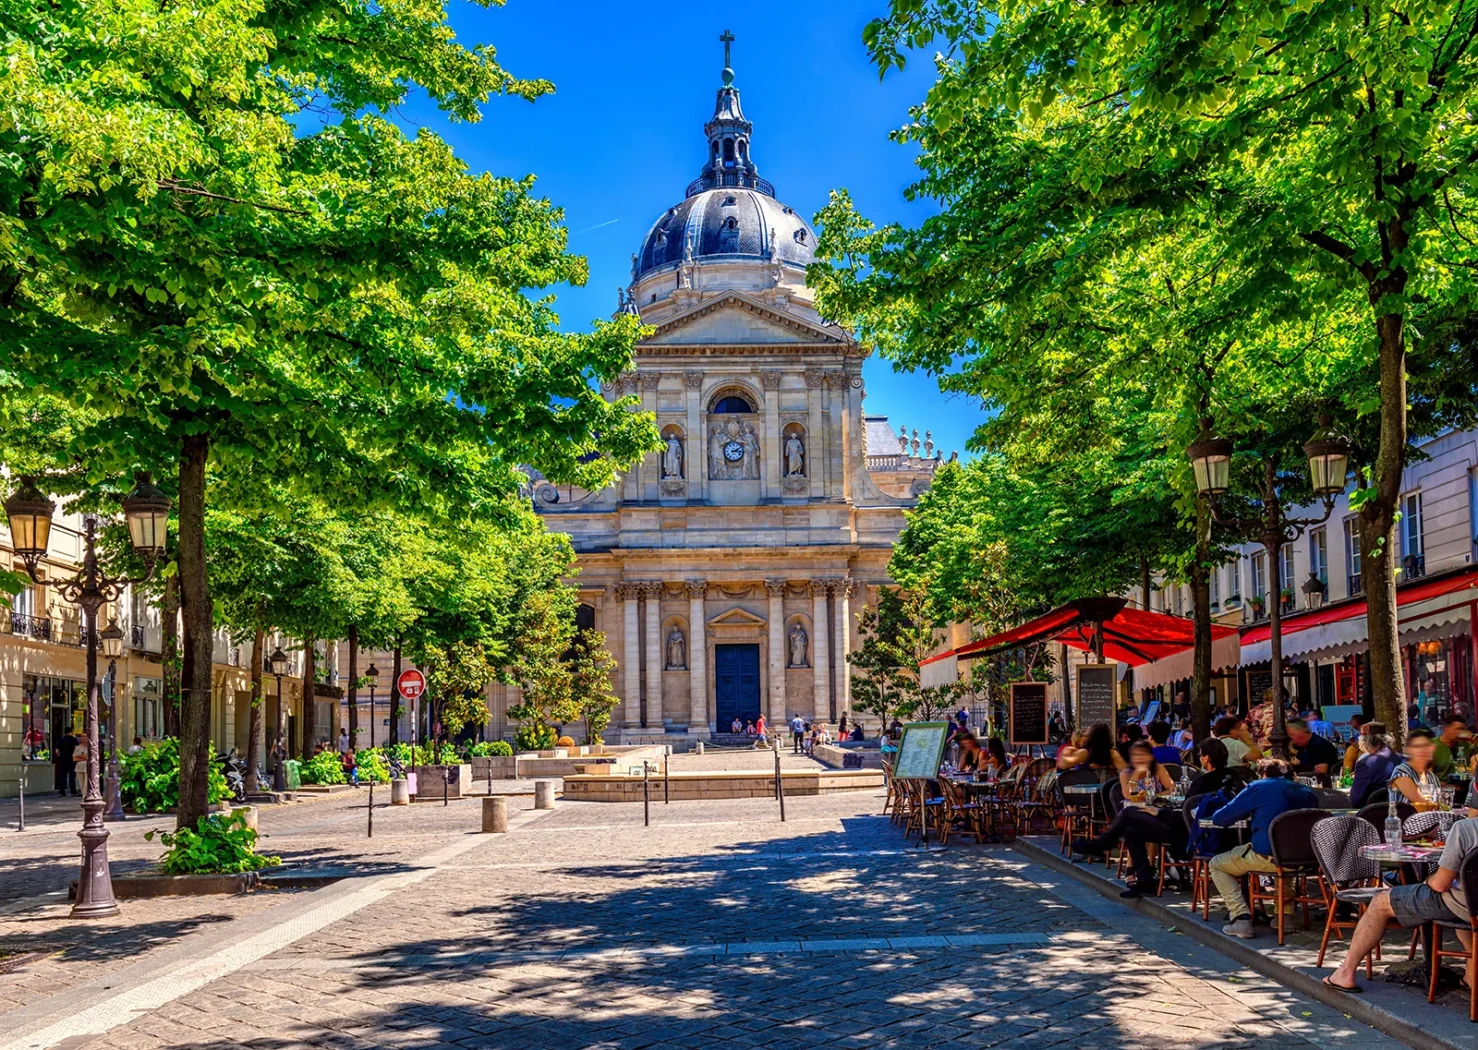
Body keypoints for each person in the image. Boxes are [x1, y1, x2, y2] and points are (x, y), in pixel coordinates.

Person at [1324, 811, 1478, 992]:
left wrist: (1428, 880)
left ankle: (1345, 973)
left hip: (1464, 905)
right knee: (1464, 919)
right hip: (1470, 909)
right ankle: (1471, 976)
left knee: (1380, 902)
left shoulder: (1466, 829)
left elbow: (1440, 885)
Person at [1209, 758, 1319, 938]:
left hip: (1268, 856)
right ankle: (1285, 916)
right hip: (1304, 858)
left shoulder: (1258, 787)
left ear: (1263, 774)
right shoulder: (1307, 792)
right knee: (1285, 858)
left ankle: (1240, 918)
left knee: (1216, 864)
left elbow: (1220, 818)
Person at [1069, 740, 1178, 896]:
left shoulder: (1158, 769)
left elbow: (1172, 789)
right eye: (1135, 755)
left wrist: (1154, 795)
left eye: (1143, 755)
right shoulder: (1126, 773)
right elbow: (1128, 795)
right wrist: (1136, 775)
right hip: (1134, 812)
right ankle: (1144, 879)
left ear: (1150, 756)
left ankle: (1102, 846)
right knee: (1130, 826)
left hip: (1156, 812)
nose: (1139, 759)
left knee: (1130, 820)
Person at [1388, 728, 1442, 810]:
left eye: (1426, 746)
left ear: (1432, 748)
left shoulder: (1432, 777)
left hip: (1430, 821)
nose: (1422, 750)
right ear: (1408, 750)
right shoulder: (1402, 771)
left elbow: (1439, 807)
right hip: (1405, 821)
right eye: (1417, 747)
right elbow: (1422, 803)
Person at [1347, 722, 1399, 808]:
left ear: (1365, 742)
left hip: (1373, 814)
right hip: (1404, 811)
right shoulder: (1404, 759)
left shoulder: (1366, 763)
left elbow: (1356, 799)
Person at [1057, 723, 1128, 780]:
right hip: (1107, 791)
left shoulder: (1085, 752)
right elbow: (1127, 771)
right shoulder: (1112, 753)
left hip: (1084, 792)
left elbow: (1062, 765)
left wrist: (1065, 754)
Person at [1433, 713, 1470, 780]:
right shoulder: (1432, 746)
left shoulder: (1465, 744)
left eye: (1463, 729)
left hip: (1465, 784)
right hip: (1443, 787)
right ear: (1445, 729)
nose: (1461, 732)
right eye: (1458, 729)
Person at [56, 728, 79, 796]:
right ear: (71, 732)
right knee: (72, 776)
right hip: (72, 759)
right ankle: (73, 792)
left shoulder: (61, 740)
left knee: (63, 775)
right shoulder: (73, 739)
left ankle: (62, 791)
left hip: (63, 759)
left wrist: (60, 756)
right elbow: (76, 748)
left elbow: (57, 751)